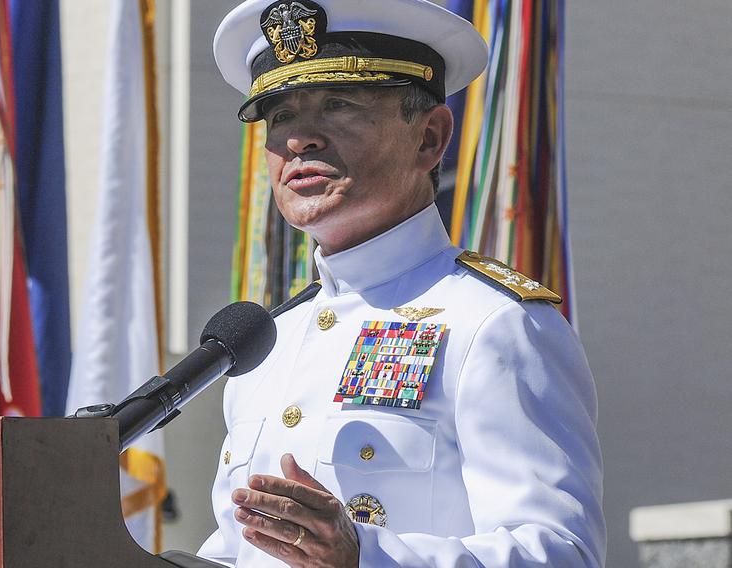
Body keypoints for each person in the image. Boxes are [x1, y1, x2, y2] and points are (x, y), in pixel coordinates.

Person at [199, 1, 605, 566]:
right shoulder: (264, 343)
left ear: (430, 138)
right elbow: (237, 550)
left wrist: (364, 555)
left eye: (338, 104)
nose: (299, 141)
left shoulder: (494, 322)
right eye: (281, 117)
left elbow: (561, 553)